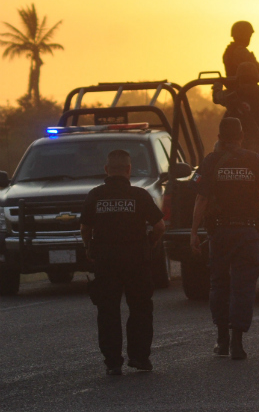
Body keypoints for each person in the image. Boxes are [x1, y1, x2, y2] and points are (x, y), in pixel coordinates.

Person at [191, 117, 259, 360]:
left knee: (220, 284)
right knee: (244, 287)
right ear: (242, 136)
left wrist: (192, 233)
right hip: (248, 233)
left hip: (220, 233)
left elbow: (201, 199)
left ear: (220, 138)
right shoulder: (255, 159)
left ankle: (222, 340)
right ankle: (237, 343)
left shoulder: (211, 161)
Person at [80, 150, 165, 375]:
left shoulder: (95, 195)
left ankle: (113, 362)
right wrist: (150, 243)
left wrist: (89, 247)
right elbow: (159, 227)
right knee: (140, 309)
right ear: (129, 170)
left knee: (108, 311)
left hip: (106, 261)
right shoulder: (140, 195)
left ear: (107, 170)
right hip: (136, 259)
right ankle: (139, 357)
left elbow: (85, 228)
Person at [213, 61, 259, 171]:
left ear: (238, 78)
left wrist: (218, 86)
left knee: (219, 162)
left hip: (233, 145)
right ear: (256, 78)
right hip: (258, 142)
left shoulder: (231, 93)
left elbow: (217, 97)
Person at [223, 21, 259, 90]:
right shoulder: (240, 51)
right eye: (249, 35)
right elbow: (258, 70)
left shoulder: (230, 50)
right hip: (245, 89)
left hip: (238, 88)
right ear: (243, 35)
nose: (249, 38)